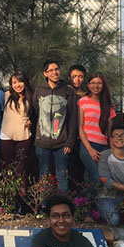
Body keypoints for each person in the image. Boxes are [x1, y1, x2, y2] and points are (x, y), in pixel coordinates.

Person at [32, 60, 78, 194]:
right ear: (45, 73)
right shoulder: (39, 90)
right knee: (44, 174)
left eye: (57, 69)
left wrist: (70, 141)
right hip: (42, 141)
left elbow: (73, 118)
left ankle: (63, 203)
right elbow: (36, 112)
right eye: (50, 70)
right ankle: (43, 203)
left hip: (62, 142)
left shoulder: (68, 91)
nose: (55, 72)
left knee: (62, 175)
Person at [78, 72, 116, 195]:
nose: (96, 86)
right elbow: (80, 127)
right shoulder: (83, 102)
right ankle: (89, 204)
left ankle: (88, 204)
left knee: (95, 180)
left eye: (99, 83)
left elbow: (110, 130)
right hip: (88, 145)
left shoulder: (108, 105)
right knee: (97, 178)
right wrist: (90, 149)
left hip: (103, 147)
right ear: (88, 85)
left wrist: (112, 149)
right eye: (93, 83)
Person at [0, 71, 35, 191]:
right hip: (6, 135)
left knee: (21, 167)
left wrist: (31, 121)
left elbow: (37, 115)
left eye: (20, 81)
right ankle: (9, 196)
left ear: (25, 82)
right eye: (14, 82)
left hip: (23, 136)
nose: (17, 85)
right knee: (9, 167)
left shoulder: (31, 97)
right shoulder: (6, 95)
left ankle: (22, 195)